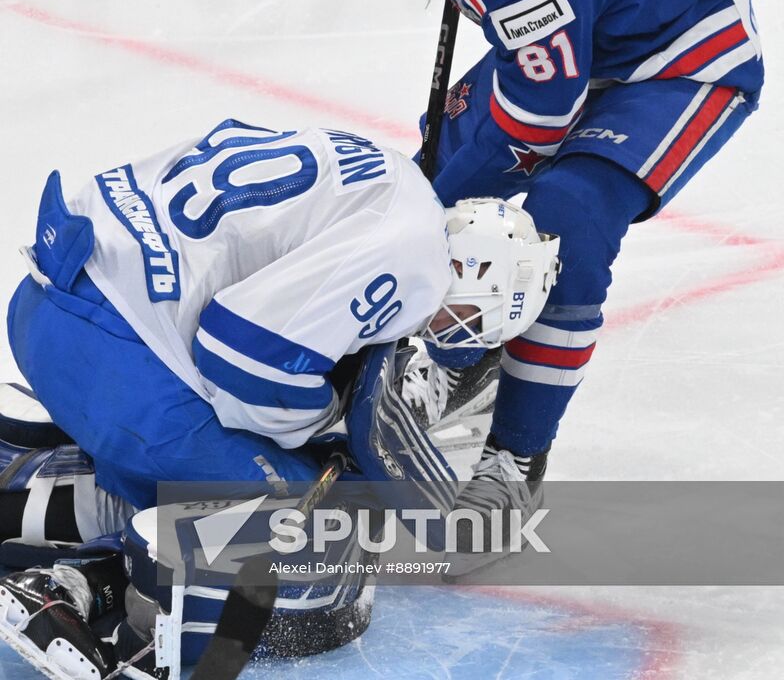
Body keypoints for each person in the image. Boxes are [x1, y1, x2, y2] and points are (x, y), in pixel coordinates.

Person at [0, 117, 559, 677]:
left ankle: (21, 508)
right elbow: (241, 360)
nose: (449, 335)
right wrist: (325, 422)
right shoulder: (418, 261)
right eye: (469, 321)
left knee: (203, 468)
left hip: (49, 305)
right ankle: (96, 612)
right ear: (478, 280)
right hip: (115, 360)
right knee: (310, 519)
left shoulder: (392, 178)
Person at [350, 0, 764, 484]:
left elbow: (536, 127)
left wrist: (433, 204)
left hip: (686, 57)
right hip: (605, 16)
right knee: (446, 137)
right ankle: (466, 347)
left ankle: (514, 460)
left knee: (564, 221)